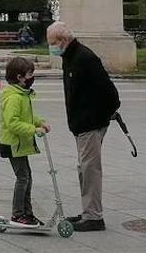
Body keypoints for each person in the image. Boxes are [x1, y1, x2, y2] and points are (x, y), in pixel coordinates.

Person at [47, 21, 119, 232]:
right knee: (84, 168)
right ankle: (89, 211)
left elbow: (109, 91)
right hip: (81, 123)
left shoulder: (84, 58)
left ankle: (94, 216)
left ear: (63, 40)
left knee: (90, 169)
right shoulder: (69, 57)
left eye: (52, 42)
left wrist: (104, 113)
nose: (50, 47)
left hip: (90, 122)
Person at [0, 55, 48, 224]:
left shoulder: (22, 94)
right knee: (23, 178)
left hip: (20, 144)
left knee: (27, 177)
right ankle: (18, 213)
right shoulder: (14, 97)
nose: (32, 78)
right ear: (19, 77)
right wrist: (34, 130)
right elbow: (13, 123)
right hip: (13, 143)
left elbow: (27, 116)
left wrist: (39, 122)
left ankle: (27, 212)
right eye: (29, 74)